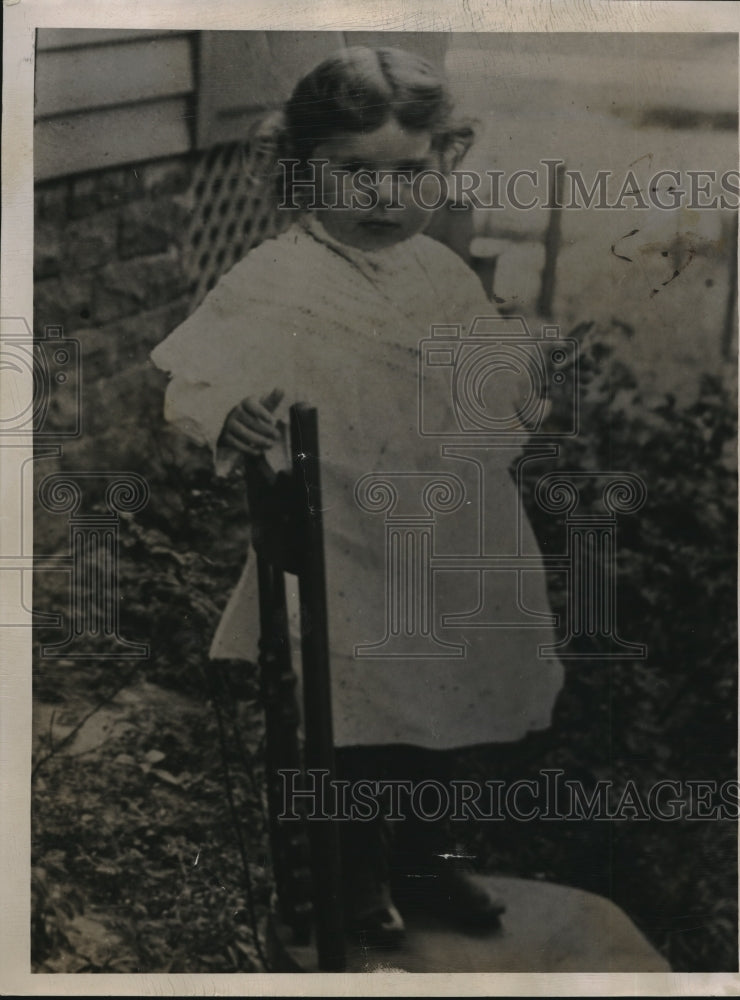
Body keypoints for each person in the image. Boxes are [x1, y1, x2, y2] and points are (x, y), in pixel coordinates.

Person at [151, 45, 565, 943]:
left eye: (410, 173)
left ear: (441, 162)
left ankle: (424, 865)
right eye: (354, 175)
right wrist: (232, 415)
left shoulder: (437, 273)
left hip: (437, 540)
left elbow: (481, 386)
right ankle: (348, 878)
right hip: (339, 541)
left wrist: (509, 374)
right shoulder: (277, 278)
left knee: (436, 711)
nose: (385, 199)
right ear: (301, 173)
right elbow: (192, 380)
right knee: (354, 723)